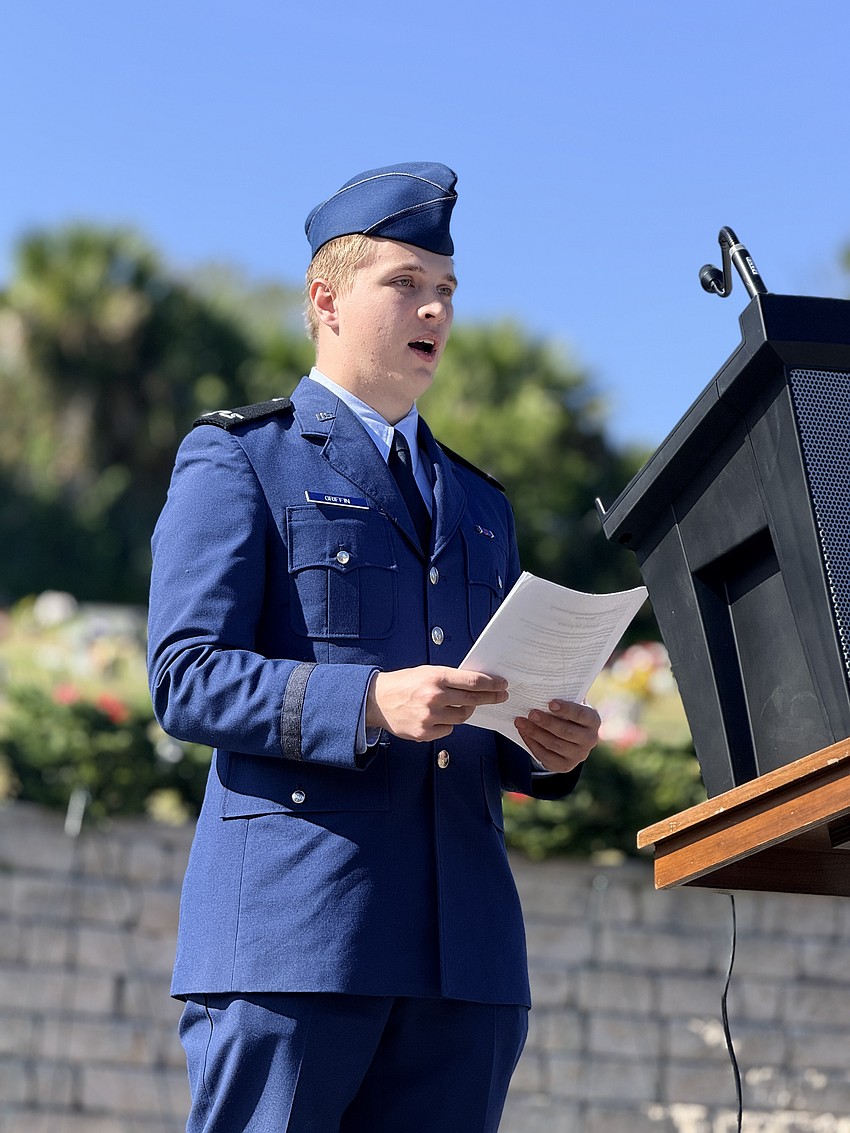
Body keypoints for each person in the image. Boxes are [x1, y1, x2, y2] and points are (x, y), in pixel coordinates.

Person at [147, 161, 600, 1133]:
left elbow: (486, 706)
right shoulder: (239, 456)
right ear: (326, 300)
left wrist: (543, 747)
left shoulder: (482, 501)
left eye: (445, 291)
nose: (433, 307)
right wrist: (367, 702)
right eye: (404, 283)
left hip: (464, 957)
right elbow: (185, 677)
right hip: (295, 941)